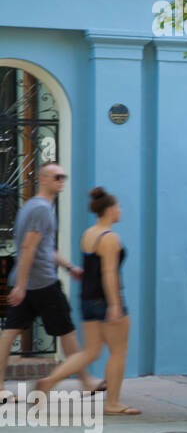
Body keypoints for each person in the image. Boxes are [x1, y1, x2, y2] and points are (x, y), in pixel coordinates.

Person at [0, 163, 94, 405]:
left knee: (8, 334)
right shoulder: (42, 209)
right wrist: (21, 286)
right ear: (43, 179)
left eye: (64, 176)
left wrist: (69, 267)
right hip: (41, 282)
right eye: (57, 177)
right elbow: (28, 247)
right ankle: (86, 381)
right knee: (67, 331)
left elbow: (45, 249)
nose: (61, 181)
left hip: (31, 281)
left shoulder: (32, 206)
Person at [77, 187, 138, 415]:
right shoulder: (110, 237)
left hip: (87, 299)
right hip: (106, 301)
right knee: (118, 352)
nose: (120, 210)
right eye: (119, 206)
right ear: (110, 210)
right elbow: (109, 273)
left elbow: (90, 270)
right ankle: (113, 403)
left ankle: (50, 380)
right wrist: (115, 305)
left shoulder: (88, 234)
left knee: (90, 351)